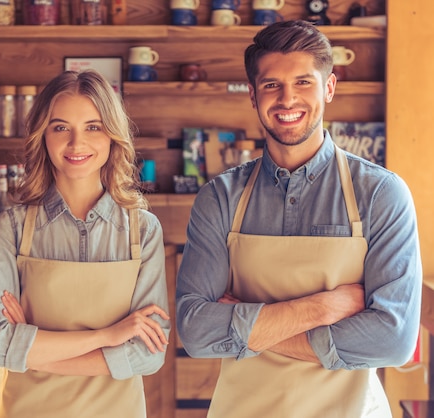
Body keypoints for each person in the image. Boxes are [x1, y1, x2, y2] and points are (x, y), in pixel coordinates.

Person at [176, 20, 422, 418]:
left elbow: (392, 341)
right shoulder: (220, 198)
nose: (287, 99)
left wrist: (252, 326)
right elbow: (196, 330)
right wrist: (321, 308)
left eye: (304, 82)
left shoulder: (380, 194)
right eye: (272, 85)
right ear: (253, 95)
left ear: (329, 87)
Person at [0, 69, 170, 418]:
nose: (76, 143)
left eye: (93, 127)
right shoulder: (12, 228)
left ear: (112, 136)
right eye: (61, 127)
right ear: (43, 135)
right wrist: (108, 336)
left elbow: (148, 354)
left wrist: (30, 349)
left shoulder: (144, 231)